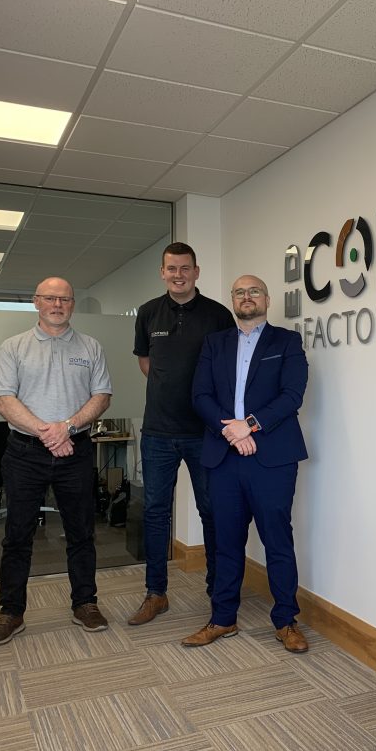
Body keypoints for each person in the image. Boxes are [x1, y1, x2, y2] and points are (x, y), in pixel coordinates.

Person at [182, 274, 310, 651]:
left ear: (266, 300)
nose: (247, 297)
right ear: (232, 301)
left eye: (254, 291)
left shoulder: (286, 342)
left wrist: (250, 426)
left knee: (277, 541)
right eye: (239, 292)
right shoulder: (214, 343)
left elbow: (292, 395)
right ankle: (223, 619)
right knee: (225, 541)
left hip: (271, 458)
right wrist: (232, 433)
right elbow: (200, 395)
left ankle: (286, 621)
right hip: (224, 457)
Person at [0, 277, 112, 646]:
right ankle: (11, 611)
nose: (58, 304)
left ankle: (85, 603)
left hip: (76, 451)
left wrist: (67, 427)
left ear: (73, 304)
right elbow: (2, 399)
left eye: (65, 299)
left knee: (81, 532)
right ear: (37, 302)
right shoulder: (13, 347)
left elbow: (102, 395)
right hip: (25, 453)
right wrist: (48, 432)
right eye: (50, 298)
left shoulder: (91, 346)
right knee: (18, 535)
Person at [128, 242, 234, 625]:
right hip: (157, 431)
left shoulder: (219, 316)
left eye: (185, 268)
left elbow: (227, 370)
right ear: (162, 272)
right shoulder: (148, 313)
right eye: (171, 269)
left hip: (205, 433)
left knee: (213, 512)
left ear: (196, 271)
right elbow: (146, 362)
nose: (178, 275)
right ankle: (156, 593)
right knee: (156, 513)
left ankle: (217, 591)